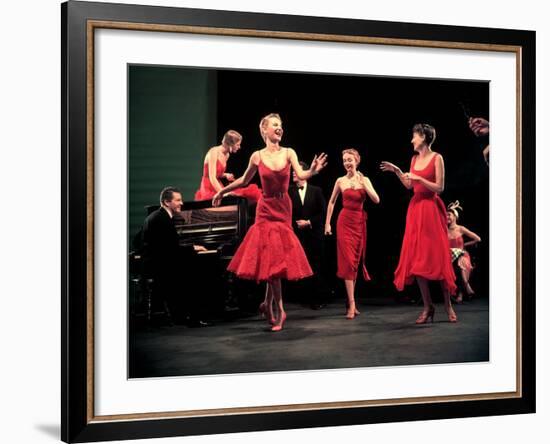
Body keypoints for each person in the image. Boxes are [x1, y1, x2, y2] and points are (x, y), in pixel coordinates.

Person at [212, 113, 328, 332]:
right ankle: (278, 309)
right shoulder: (257, 156)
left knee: (274, 259)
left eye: (281, 125)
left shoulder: (289, 152)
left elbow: (302, 172)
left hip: (283, 208)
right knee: (270, 258)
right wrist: (223, 191)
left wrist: (312, 170)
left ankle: (268, 304)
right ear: (264, 130)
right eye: (275, 125)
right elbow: (244, 180)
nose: (280, 128)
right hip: (265, 209)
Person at [380, 123, 458, 324]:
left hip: (431, 210)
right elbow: (409, 184)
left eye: (414, 136)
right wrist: (398, 171)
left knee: (437, 257)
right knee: (417, 259)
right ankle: (427, 306)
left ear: (423, 136)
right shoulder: (414, 159)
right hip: (415, 211)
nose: (411, 140)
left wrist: (419, 178)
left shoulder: (437, 157)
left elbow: (439, 187)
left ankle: (448, 306)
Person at [141, 187, 211, 327]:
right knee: (197, 275)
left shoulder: (153, 216)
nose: (182, 203)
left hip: (155, 264)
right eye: (178, 200)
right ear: (167, 202)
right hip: (162, 267)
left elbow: (139, 242)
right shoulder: (163, 220)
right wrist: (193, 248)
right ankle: (193, 318)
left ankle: (181, 316)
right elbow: (171, 249)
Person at [325, 149, 380, 319]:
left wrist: (364, 185)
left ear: (357, 161)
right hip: (344, 222)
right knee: (348, 262)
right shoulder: (340, 181)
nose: (347, 163)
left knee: (354, 263)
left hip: (359, 223)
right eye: (344, 160)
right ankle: (352, 304)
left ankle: (350, 301)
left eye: (350, 160)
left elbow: (376, 200)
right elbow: (332, 201)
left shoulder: (365, 180)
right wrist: (327, 223)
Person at [289, 161, 328, 309]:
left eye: (296, 170)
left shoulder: (316, 191)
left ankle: (317, 299)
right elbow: (286, 211)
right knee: (299, 266)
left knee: (315, 266)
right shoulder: (289, 191)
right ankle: (302, 298)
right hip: (296, 235)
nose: (293, 173)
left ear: (305, 173)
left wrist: (309, 222)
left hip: (314, 234)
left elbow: (323, 212)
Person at [194, 130, 262, 203]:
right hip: (209, 186)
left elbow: (218, 173)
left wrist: (225, 175)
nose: (239, 147)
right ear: (230, 144)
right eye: (237, 144)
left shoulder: (227, 155)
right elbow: (212, 177)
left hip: (218, 184)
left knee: (244, 195)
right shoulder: (213, 152)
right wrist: (223, 193)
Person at [447, 200, 481, 303]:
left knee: (461, 261)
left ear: (455, 216)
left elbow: (478, 239)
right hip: (450, 257)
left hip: (463, 255)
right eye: (445, 216)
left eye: (449, 215)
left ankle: (461, 293)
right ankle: (466, 289)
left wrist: (464, 245)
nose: (447, 217)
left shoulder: (461, 229)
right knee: (458, 264)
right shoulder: (444, 230)